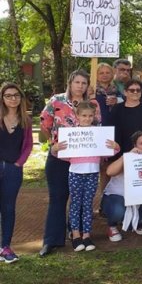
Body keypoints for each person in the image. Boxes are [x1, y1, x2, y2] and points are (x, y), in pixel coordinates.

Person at [39, 69, 101, 257]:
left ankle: (80, 236)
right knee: (58, 198)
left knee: (82, 200)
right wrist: (51, 144)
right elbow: (44, 125)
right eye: (77, 82)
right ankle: (52, 240)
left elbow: (98, 129)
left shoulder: (93, 104)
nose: (80, 86)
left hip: (84, 160)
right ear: (70, 82)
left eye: (84, 83)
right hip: (59, 159)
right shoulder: (56, 101)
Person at [53, 101, 119, 251]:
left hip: (93, 172)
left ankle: (87, 235)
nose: (87, 118)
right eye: (84, 115)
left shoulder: (99, 133)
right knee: (76, 203)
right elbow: (60, 154)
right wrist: (55, 148)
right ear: (77, 116)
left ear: (94, 116)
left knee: (88, 204)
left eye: (90, 116)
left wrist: (115, 147)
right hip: (75, 172)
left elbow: (107, 152)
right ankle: (76, 235)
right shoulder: (71, 133)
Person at [101, 131, 142, 242]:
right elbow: (109, 171)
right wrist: (125, 157)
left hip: (138, 198)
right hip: (117, 195)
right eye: (141, 143)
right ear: (135, 145)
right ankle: (112, 226)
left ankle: (137, 223)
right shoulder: (128, 157)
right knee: (118, 211)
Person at [0, 83, 33, 263]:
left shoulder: (25, 120)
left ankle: (5, 247)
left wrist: (19, 163)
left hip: (14, 170)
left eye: (16, 95)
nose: (13, 98)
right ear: (2, 98)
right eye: (8, 95)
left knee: (8, 208)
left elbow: (28, 145)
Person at [109, 79, 142, 160]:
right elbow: (112, 131)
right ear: (125, 92)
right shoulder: (116, 109)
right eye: (132, 90)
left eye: (138, 90)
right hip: (122, 153)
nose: (135, 92)